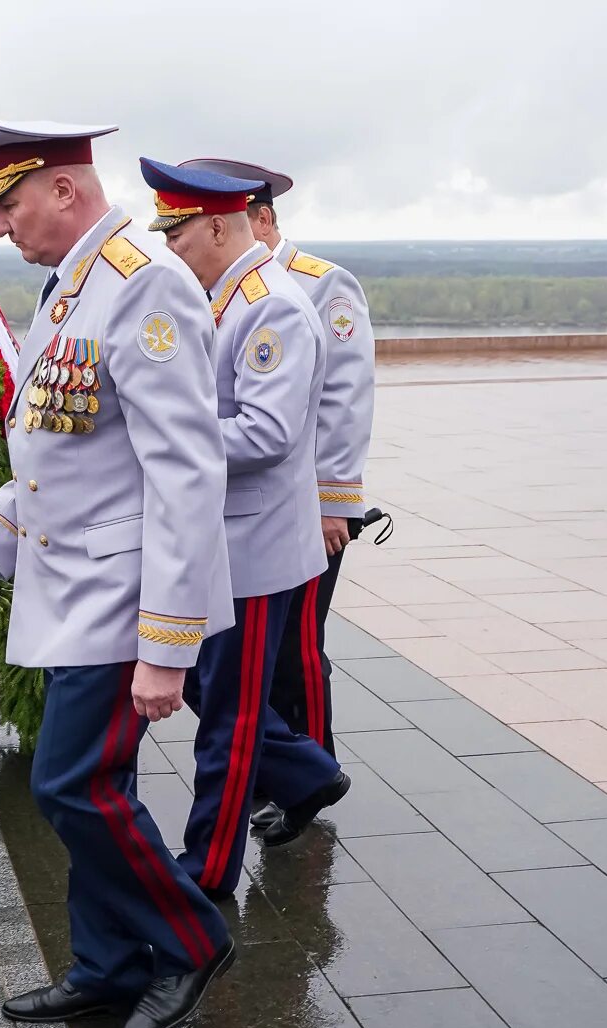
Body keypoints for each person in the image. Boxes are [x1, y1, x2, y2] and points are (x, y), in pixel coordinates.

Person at [0, 112, 235, 1028]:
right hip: (72, 591)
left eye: (10, 202)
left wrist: (167, 646)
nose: (0, 226)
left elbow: (185, 477)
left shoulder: (144, 288)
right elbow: (55, 454)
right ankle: (107, 965)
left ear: (64, 190)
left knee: (73, 786)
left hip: (120, 597)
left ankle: (189, 940)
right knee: (90, 783)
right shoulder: (72, 289)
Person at [139, 158, 350, 883]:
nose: (169, 247)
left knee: (225, 721)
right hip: (222, 542)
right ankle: (303, 769)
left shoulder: (271, 306)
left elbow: (266, 434)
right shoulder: (222, 295)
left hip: (254, 547)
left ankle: (208, 868)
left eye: (176, 232)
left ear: (218, 226)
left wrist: (161, 444)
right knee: (205, 689)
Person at [180, 159, 377, 813]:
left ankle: (311, 775)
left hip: (302, 510)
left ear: (260, 218)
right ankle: (290, 771)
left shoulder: (320, 287)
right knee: (231, 670)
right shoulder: (221, 291)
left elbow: (342, 404)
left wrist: (335, 504)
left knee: (296, 654)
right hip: (237, 513)